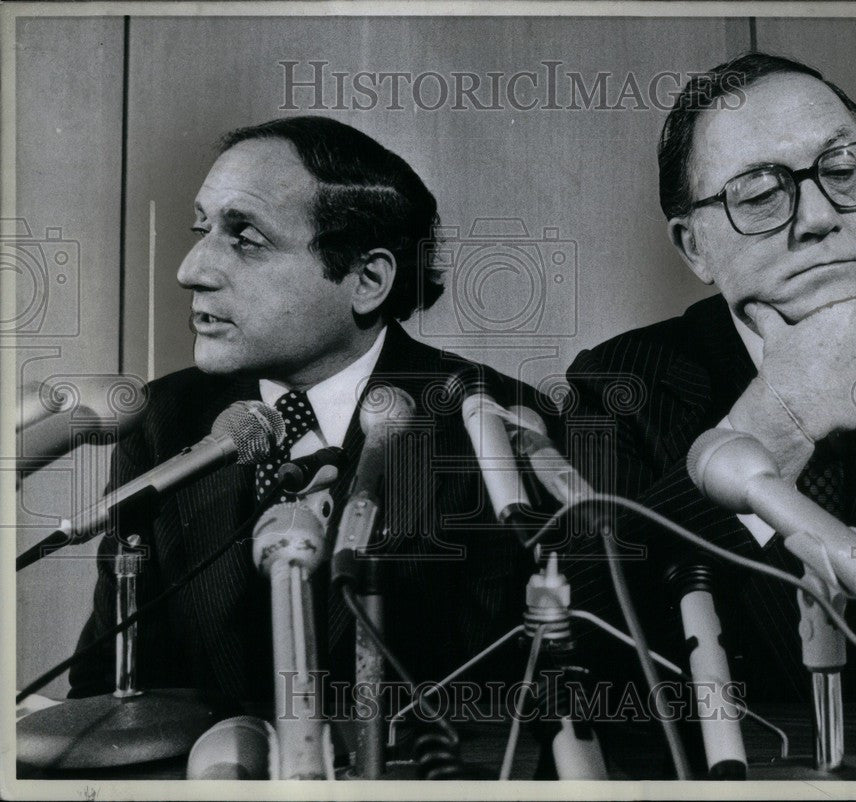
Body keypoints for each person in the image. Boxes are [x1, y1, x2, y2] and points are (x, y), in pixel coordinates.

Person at [68, 116, 544, 709]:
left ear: (366, 280)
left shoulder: (494, 426)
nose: (191, 270)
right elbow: (108, 687)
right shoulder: (168, 421)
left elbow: (517, 703)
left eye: (245, 238)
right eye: (202, 228)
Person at [563, 53, 856, 706]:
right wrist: (776, 422)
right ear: (694, 246)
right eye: (760, 194)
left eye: (844, 169)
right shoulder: (619, 387)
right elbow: (575, 643)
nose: (819, 216)